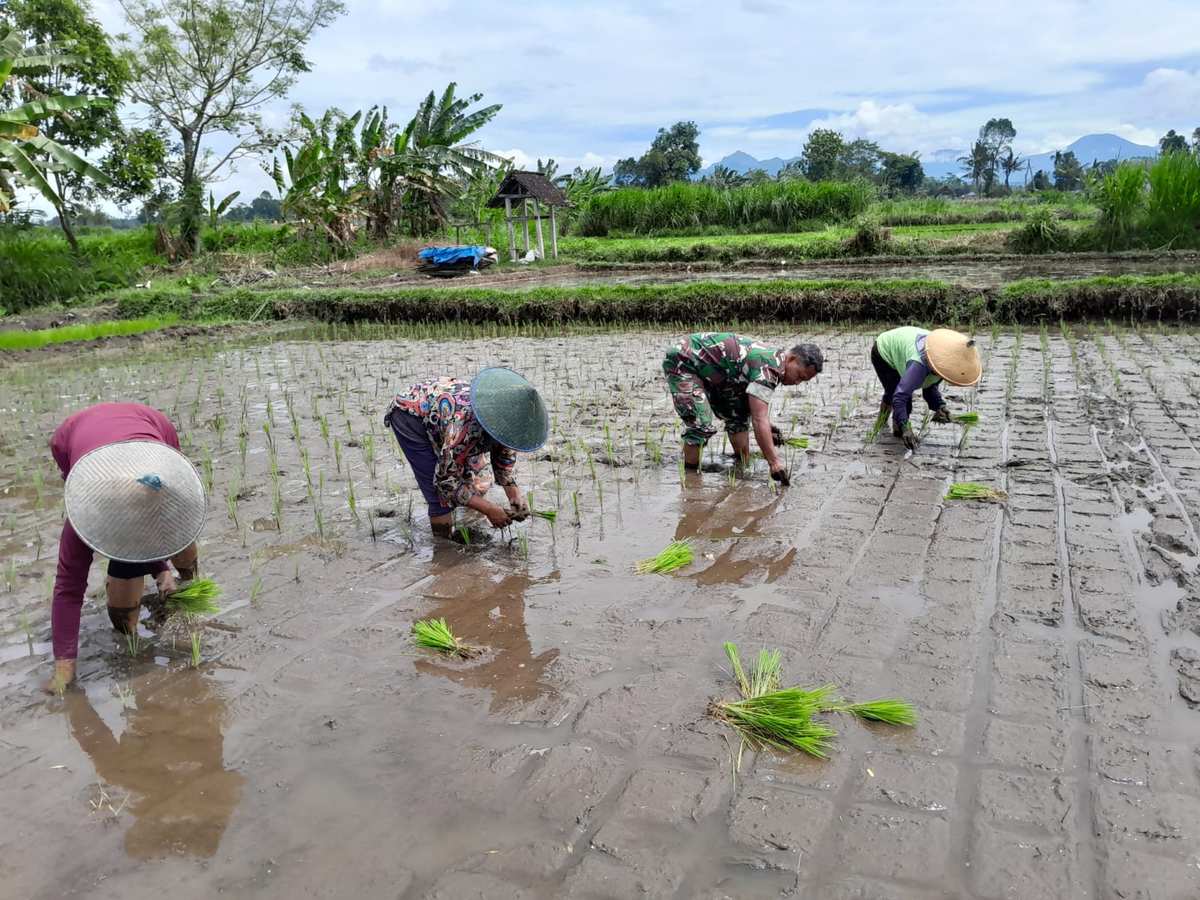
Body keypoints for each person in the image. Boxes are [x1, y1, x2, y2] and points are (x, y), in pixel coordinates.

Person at [46, 403, 207, 692]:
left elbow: (159, 519)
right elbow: (68, 590)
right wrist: (63, 667)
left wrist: (163, 569)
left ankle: (188, 583)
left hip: (148, 425)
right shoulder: (85, 516)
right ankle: (134, 648)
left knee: (181, 543)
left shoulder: (166, 474)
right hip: (78, 442)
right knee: (122, 615)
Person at [385, 367, 549, 539]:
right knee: (438, 496)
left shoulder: (506, 426)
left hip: (444, 412)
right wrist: (489, 509)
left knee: (472, 472)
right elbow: (445, 482)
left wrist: (514, 494)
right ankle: (444, 548)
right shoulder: (464, 427)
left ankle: (468, 506)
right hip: (410, 414)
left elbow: (503, 461)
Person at [662, 332, 824, 484]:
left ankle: (741, 465)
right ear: (791, 359)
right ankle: (690, 477)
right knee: (700, 424)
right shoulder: (767, 370)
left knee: (738, 414)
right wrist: (774, 462)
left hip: (719, 372)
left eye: (803, 381)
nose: (797, 383)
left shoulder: (775, 362)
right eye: (800, 376)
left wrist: (767, 427)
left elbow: (754, 411)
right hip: (685, 360)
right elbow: (759, 418)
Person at [871, 326, 982, 450]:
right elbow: (900, 396)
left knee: (896, 393)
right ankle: (886, 427)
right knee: (895, 393)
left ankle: (894, 428)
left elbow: (930, 387)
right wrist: (906, 427)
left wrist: (939, 406)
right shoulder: (920, 364)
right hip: (884, 350)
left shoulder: (944, 364)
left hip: (905, 345)